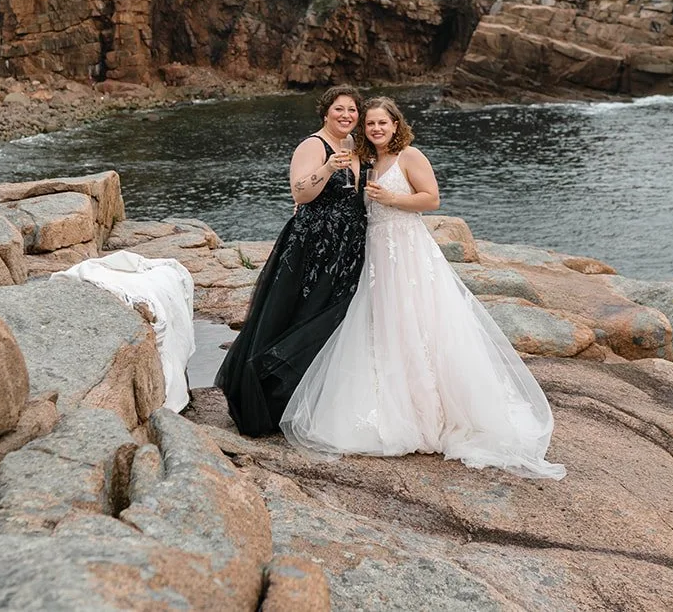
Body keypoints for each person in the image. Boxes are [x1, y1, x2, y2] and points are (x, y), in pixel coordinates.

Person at [281, 96, 565, 479]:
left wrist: (393, 198)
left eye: (382, 123)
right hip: (377, 252)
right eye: (371, 124)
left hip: (409, 250)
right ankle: (396, 405)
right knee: (384, 323)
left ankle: (436, 411)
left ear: (396, 125)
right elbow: (333, 194)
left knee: (420, 318)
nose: (376, 128)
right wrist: (305, 206)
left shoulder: (409, 156)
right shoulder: (366, 161)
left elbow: (432, 199)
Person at [216, 85, 368, 436]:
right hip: (313, 246)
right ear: (325, 112)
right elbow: (300, 192)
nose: (346, 115)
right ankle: (275, 400)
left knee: (336, 317)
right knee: (302, 315)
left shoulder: (357, 146)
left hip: (348, 247)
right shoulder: (313, 145)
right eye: (339, 109)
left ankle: (319, 399)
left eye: (352, 110)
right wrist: (327, 168)